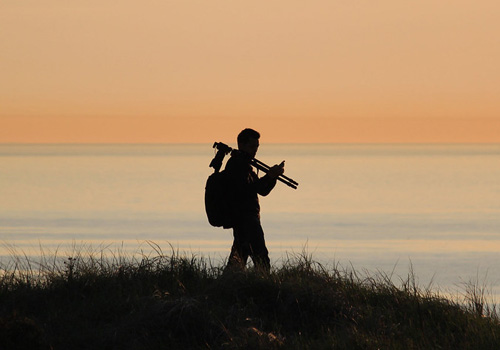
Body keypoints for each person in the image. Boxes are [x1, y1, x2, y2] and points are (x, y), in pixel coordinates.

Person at [224, 128, 284, 272]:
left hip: (246, 219)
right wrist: (270, 175)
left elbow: (262, 190)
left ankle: (226, 288)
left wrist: (272, 177)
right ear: (241, 145)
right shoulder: (237, 165)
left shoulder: (245, 164)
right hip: (245, 219)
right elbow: (249, 189)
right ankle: (263, 289)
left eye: (257, 146)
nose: (255, 150)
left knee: (238, 260)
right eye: (252, 146)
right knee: (261, 258)